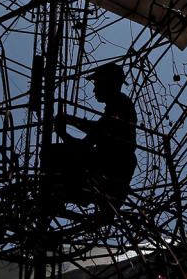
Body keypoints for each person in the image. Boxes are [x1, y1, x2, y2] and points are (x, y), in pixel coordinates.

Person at [43, 63, 138, 215]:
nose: (94, 89)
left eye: (97, 83)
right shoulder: (118, 108)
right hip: (108, 169)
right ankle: (57, 196)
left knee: (51, 154)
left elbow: (91, 138)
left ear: (109, 83)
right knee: (55, 157)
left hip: (112, 170)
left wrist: (68, 122)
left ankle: (56, 196)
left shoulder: (121, 106)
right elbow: (87, 143)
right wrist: (65, 130)